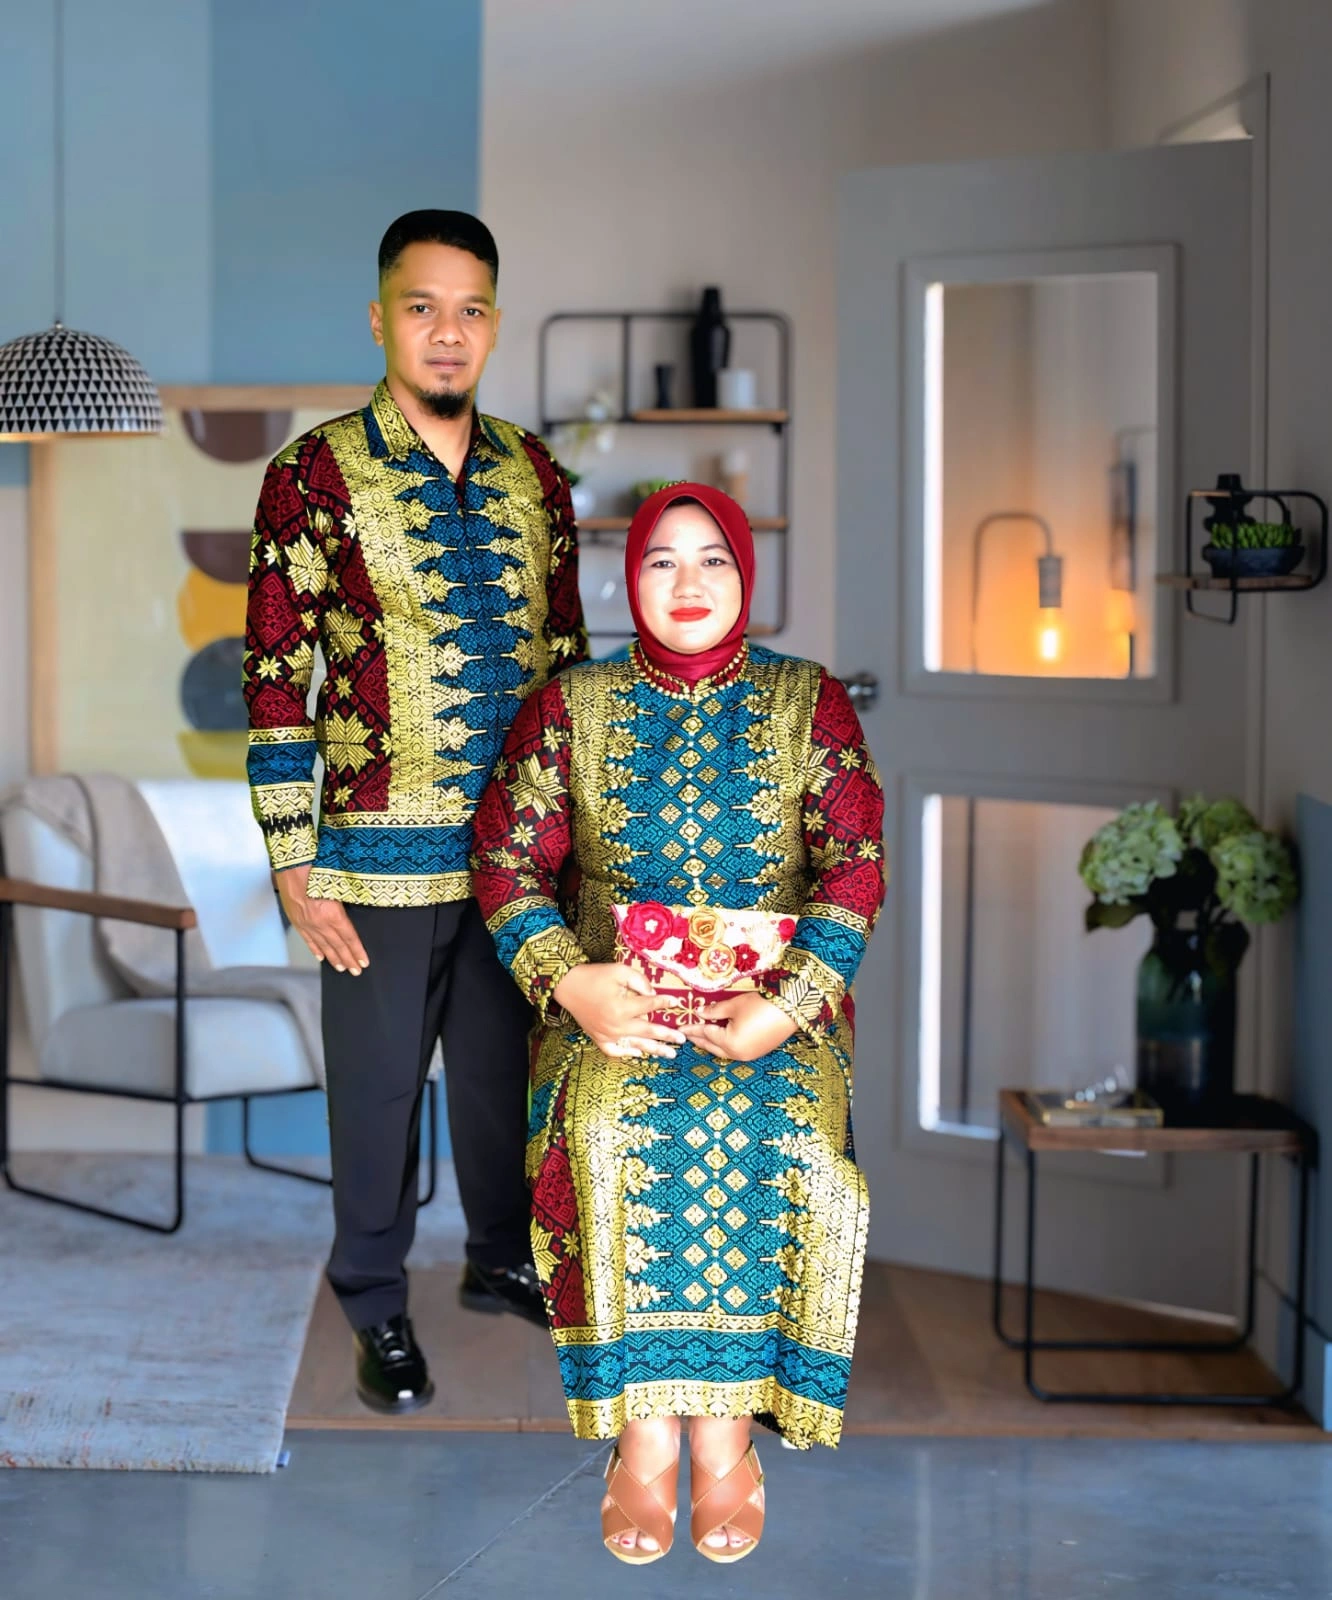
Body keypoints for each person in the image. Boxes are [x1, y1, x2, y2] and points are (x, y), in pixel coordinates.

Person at [471, 483, 885, 1563]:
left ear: (746, 576)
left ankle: (727, 1435)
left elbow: (854, 868)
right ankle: (644, 1436)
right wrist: (573, 985)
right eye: (662, 560)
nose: (688, 582)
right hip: (614, 1009)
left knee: (789, 1137)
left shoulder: (809, 701)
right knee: (608, 1126)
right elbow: (506, 861)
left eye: (713, 560)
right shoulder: (571, 704)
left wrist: (785, 1006)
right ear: (629, 580)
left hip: (773, 1012)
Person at [242, 210, 587, 1414]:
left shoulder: (537, 475)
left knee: (506, 1077)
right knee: (379, 1093)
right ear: (381, 319)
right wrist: (292, 858)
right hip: (371, 857)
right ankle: (374, 1301)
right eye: (423, 307)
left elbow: (567, 664)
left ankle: (498, 1256)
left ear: (494, 324)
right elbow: (275, 674)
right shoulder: (312, 473)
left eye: (470, 309)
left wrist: (577, 837)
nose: (448, 332)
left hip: (516, 860)